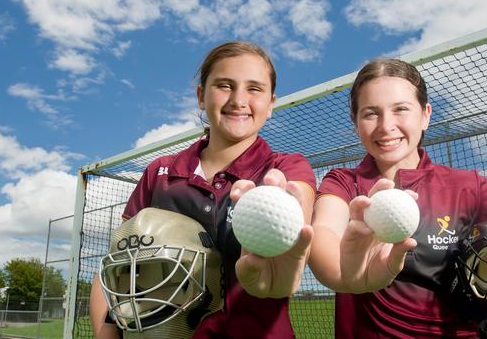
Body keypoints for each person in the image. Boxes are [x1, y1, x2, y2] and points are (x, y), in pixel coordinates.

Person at [308, 58, 487, 338]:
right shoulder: (343, 182)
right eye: (371, 113)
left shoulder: (468, 187)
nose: (386, 125)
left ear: (425, 115)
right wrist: (345, 275)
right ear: (355, 122)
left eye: (401, 110)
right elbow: (324, 235)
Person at [89, 41, 316, 338]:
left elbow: (298, 217)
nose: (238, 99)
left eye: (254, 89)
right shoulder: (159, 173)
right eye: (224, 85)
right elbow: (117, 263)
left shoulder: (287, 168)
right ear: (201, 96)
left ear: (271, 103)